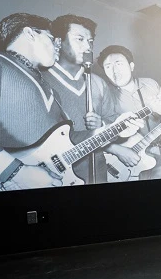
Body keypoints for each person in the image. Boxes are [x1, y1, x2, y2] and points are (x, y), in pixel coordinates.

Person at [0, 13, 70, 191]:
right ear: (30, 34)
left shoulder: (52, 91)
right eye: (52, 39)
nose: (57, 47)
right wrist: (18, 173)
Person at [45, 14, 119, 184]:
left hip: (97, 171)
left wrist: (101, 125)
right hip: (54, 176)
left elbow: (114, 124)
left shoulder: (99, 83)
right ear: (58, 42)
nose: (87, 47)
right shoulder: (40, 79)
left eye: (90, 41)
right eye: (80, 39)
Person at [98, 45, 161, 180]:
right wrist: (117, 150)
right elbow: (94, 134)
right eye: (108, 67)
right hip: (122, 159)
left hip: (156, 151)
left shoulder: (151, 84)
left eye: (119, 64)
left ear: (131, 66)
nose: (115, 71)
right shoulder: (103, 94)